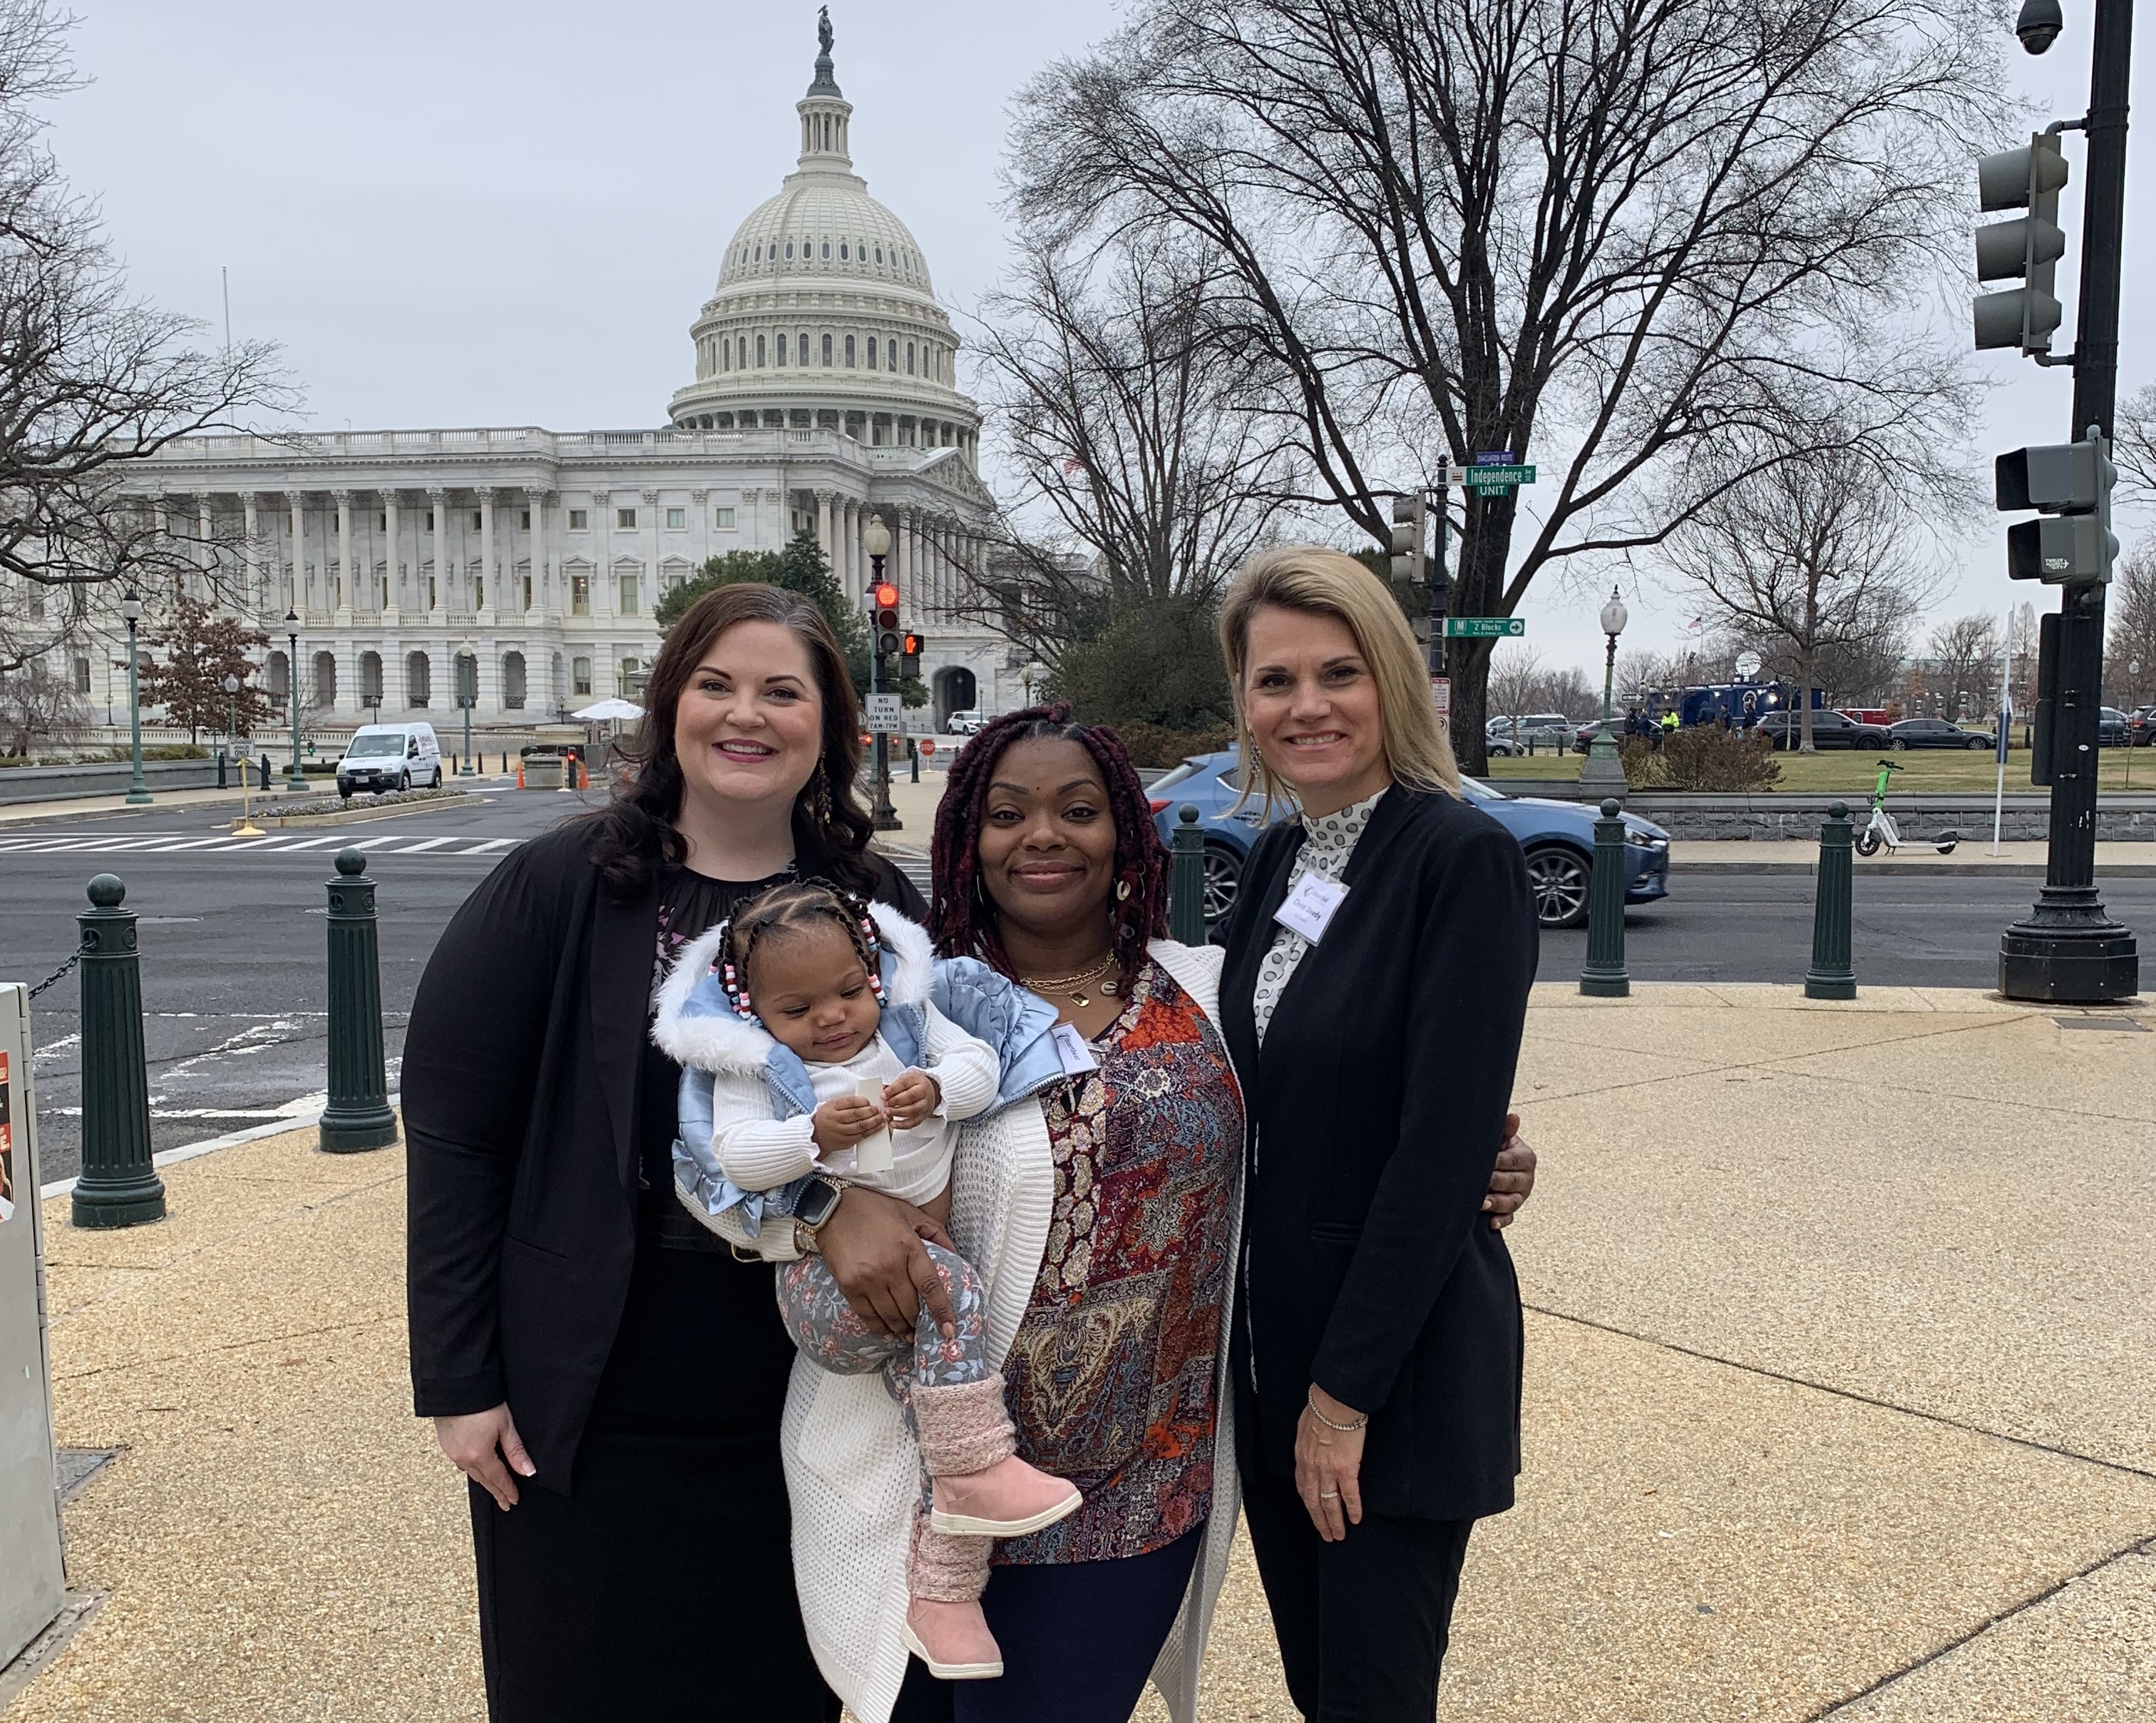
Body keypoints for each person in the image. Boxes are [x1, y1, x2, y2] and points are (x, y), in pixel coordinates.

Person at [404, 583, 952, 1722]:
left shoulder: (872, 902)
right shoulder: (561, 887)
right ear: (672, 706)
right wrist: (461, 1382)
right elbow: (458, 1134)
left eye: (782, 692)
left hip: (811, 1371)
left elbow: (933, 1097)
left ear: (828, 726)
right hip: (598, 1371)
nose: (746, 715)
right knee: (586, 1682)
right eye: (716, 685)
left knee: (789, 1680)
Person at [1213, 546, 1539, 1722]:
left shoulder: (1459, 859)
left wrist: (1339, 1400)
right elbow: (1269, 1086)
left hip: (1385, 1374)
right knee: (1322, 1688)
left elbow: (1437, 1152)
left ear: (1391, 681)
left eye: (1337, 674)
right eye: (1275, 680)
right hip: (1275, 1354)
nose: (1306, 706)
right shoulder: (1280, 858)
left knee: (1369, 1701)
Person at [652, 879, 1081, 1681]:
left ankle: (944, 1597)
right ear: (751, 1012)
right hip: (827, 1293)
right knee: (950, 1314)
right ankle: (974, 1476)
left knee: (935, 1441)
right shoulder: (757, 1066)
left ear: (875, 973)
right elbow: (733, 1157)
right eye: (797, 1008)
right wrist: (807, 1137)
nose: (832, 1018)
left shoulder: (907, 1025)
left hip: (915, 1287)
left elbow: (980, 1065)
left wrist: (939, 1089)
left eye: (851, 991)